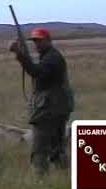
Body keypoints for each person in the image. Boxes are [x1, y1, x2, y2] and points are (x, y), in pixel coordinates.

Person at [9, 27, 74, 177]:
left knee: (39, 150)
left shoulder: (52, 58)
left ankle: (40, 182)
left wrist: (20, 55)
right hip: (58, 109)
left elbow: (36, 72)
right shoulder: (50, 56)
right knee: (57, 149)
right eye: (34, 41)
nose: (36, 44)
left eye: (40, 41)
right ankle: (66, 177)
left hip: (48, 111)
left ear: (48, 41)